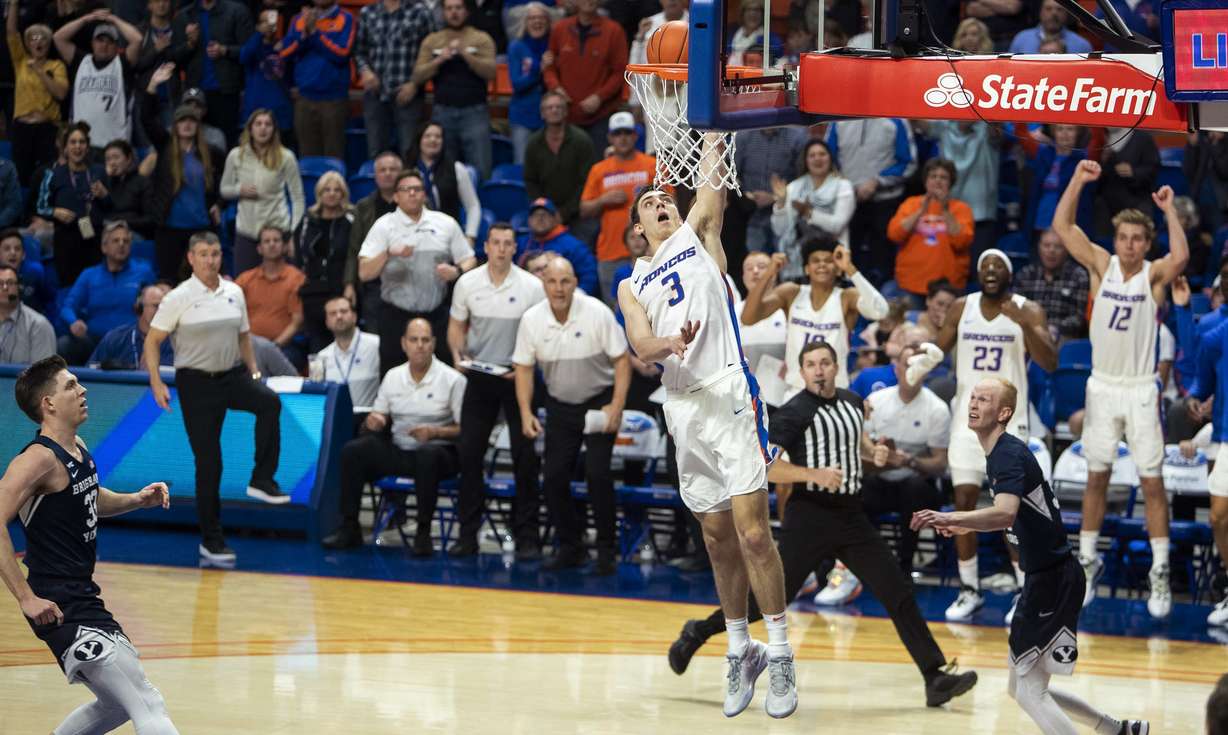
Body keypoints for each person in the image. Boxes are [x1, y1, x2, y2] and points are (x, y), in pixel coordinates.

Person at [668, 341, 978, 709]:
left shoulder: (851, 402)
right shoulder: (793, 412)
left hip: (851, 516)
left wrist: (876, 453)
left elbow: (856, 446)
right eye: (811, 364)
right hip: (809, 516)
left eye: (825, 363)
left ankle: (934, 677)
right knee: (765, 603)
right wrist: (812, 474)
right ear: (802, 372)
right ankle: (698, 632)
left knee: (897, 590)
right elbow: (763, 466)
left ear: (836, 367)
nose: (819, 370)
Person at [618, 134, 798, 718]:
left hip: (727, 390)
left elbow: (711, 193)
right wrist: (666, 341)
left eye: (664, 196)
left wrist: (715, 137)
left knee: (752, 534)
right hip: (682, 406)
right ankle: (739, 649)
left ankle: (781, 654)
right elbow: (640, 342)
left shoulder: (699, 237)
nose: (660, 200)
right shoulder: (631, 282)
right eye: (648, 201)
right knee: (717, 538)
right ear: (638, 228)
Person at [911, 378, 1150, 735]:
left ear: (1004, 413)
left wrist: (953, 517)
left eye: (985, 399)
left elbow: (1005, 513)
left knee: (1029, 690)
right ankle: (1117, 730)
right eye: (972, 397)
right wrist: (968, 526)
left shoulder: (1007, 454)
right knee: (1021, 687)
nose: (974, 404)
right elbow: (1015, 518)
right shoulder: (1001, 453)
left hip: (1052, 579)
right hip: (1048, 577)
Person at [0, 355, 179, 735]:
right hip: (58, 604)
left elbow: (89, 497)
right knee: (146, 701)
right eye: (70, 386)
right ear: (48, 404)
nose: (82, 390)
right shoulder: (36, 461)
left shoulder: (76, 447)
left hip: (83, 598)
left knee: (116, 705)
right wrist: (26, 598)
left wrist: (135, 499)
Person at [1054, 161, 1187, 620]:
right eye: (1124, 237)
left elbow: (1182, 260)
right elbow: (1062, 226)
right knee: (1096, 477)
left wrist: (1169, 212)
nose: (1129, 245)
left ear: (1147, 244)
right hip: (1103, 386)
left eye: (1137, 239)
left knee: (1153, 484)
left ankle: (1161, 569)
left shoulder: (1154, 276)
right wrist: (1077, 180)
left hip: (1140, 389)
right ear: (1116, 240)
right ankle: (1087, 563)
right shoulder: (1100, 265)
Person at [144, 232, 285, 566]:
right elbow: (152, 341)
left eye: (216, 253)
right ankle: (211, 539)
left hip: (232, 375)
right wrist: (156, 383)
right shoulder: (178, 297)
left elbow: (244, 335)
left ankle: (262, 479)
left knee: (269, 402)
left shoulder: (234, 291)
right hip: (195, 383)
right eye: (204, 254)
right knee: (210, 463)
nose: (211, 260)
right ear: (192, 258)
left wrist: (253, 371)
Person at [933, 249, 1058, 621]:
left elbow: (1050, 362)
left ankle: (1026, 590)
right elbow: (936, 349)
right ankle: (970, 589)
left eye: (997, 266)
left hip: (1007, 423)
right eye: (984, 265)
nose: (990, 271)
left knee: (1011, 513)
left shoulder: (1028, 309)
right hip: (966, 421)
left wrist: (1024, 323)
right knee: (964, 502)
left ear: (1009, 274)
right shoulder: (961, 307)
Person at [513, 257, 629, 574]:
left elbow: (621, 361)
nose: (559, 288)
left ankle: (607, 551)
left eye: (565, 281)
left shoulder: (597, 313)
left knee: (597, 474)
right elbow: (522, 368)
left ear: (575, 282)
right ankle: (571, 547)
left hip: (598, 400)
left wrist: (616, 406)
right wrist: (525, 412)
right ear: (544, 284)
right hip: (560, 404)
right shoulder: (532, 320)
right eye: (552, 281)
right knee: (552, 478)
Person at [321, 318, 463, 553]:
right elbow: (379, 415)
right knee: (353, 450)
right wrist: (374, 422)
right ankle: (349, 528)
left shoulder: (453, 379)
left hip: (440, 452)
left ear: (434, 344)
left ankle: (423, 533)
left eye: (425, 340)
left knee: (428, 455)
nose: (420, 345)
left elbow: (464, 429)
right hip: (401, 448)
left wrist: (435, 432)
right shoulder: (393, 377)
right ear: (404, 344)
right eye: (414, 340)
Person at [447, 223, 546, 558]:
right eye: (496, 243)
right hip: (480, 377)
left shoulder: (532, 286)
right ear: (486, 246)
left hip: (518, 377)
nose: (502, 249)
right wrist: (458, 355)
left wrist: (523, 366)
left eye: (508, 243)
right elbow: (456, 327)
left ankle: (528, 537)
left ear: (515, 248)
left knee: (525, 457)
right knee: (470, 454)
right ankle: (467, 535)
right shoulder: (467, 283)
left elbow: (540, 333)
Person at [358, 168, 477, 374]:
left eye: (417, 189)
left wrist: (456, 271)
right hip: (395, 316)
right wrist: (387, 253)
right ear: (396, 196)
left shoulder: (445, 224)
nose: (412, 193)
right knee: (392, 376)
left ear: (425, 194)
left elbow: (470, 259)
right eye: (406, 189)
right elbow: (364, 273)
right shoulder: (383, 226)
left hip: (436, 315)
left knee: (444, 374)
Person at [743, 236, 889, 391]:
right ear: (806, 268)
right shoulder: (791, 293)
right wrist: (769, 273)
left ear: (838, 268)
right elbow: (748, 318)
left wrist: (850, 268)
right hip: (797, 389)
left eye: (828, 260)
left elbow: (880, 311)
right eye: (816, 260)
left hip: (835, 390)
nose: (822, 264)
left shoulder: (847, 297)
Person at [863, 340, 950, 574]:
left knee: (914, 488)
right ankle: (860, 566)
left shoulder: (937, 409)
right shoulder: (876, 401)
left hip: (916, 486)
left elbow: (941, 464)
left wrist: (911, 461)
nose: (911, 371)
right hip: (881, 480)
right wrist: (875, 454)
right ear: (896, 367)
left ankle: (904, 567)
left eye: (917, 365)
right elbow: (861, 449)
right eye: (906, 364)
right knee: (853, 489)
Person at [141, 63, 224, 280]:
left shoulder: (211, 153)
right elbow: (147, 120)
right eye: (182, 120)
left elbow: (224, 182)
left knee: (203, 282)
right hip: (169, 229)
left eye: (192, 121)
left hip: (200, 229)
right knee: (169, 282)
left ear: (198, 125)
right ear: (175, 125)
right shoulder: (165, 146)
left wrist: (219, 203)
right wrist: (152, 86)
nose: (187, 124)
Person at [580, 111, 660, 303]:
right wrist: (602, 200)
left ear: (635, 135)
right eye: (617, 133)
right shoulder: (599, 170)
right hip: (610, 252)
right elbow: (584, 209)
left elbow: (669, 203)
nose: (622, 138)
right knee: (615, 311)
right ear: (610, 138)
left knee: (652, 308)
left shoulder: (651, 165)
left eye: (627, 133)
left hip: (649, 252)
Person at [412, 0, 497, 180]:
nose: (454, 13)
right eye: (449, 8)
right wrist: (440, 59)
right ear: (443, 12)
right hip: (442, 112)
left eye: (458, 8)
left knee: (481, 169)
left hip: (475, 112)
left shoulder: (481, 38)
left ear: (466, 11)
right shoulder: (433, 40)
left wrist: (466, 55)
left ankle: (479, 208)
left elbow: (491, 72)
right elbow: (418, 76)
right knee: (443, 171)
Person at [826, 118, 916, 285]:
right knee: (848, 259)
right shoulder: (838, 120)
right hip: (848, 202)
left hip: (885, 202)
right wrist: (844, 185)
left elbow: (908, 162)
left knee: (883, 264)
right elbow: (828, 157)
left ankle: (883, 304)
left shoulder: (896, 120)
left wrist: (877, 181)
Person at [57, 220, 155, 365]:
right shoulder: (89, 275)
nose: (121, 244)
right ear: (104, 247)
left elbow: (156, 304)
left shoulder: (143, 272)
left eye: (126, 241)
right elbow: (67, 307)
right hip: (95, 340)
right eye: (116, 240)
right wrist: (73, 322)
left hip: (130, 340)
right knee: (65, 344)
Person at [220, 110, 305, 274]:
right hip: (247, 232)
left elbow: (298, 198)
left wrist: (293, 234)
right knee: (245, 287)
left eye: (268, 124)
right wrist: (239, 190)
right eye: (258, 124)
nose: (263, 128)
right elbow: (224, 189)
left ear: (274, 129)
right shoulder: (236, 155)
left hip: (278, 232)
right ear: (250, 129)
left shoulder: (286, 157)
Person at [354, 0, 436, 159]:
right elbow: (358, 51)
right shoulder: (367, 13)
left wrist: (415, 84)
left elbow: (431, 54)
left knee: (409, 152)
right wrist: (365, 71)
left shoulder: (421, 12)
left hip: (408, 95)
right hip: (375, 95)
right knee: (376, 153)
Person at [887, 157, 976, 302]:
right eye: (933, 176)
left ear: (950, 183)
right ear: (926, 181)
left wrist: (945, 210)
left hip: (948, 290)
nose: (938, 181)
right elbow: (894, 234)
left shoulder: (961, 209)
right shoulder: (910, 204)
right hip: (911, 285)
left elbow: (962, 241)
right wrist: (920, 211)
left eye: (943, 177)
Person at [543, 0, 628, 150]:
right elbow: (549, 66)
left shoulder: (614, 31)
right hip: (567, 116)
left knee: (599, 169)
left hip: (601, 115)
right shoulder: (560, 29)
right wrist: (556, 88)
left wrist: (599, 96)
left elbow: (620, 73)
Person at [167, 0, 253, 148]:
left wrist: (225, 50)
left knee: (226, 143)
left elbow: (251, 51)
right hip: (194, 95)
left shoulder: (237, 11)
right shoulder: (184, 16)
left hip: (226, 92)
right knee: (191, 144)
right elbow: (173, 59)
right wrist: (190, 44)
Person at [54, 12, 142, 155]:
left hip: (115, 144)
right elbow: (58, 37)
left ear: (116, 46)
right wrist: (86, 19)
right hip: (82, 145)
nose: (104, 45)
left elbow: (137, 39)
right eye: (100, 40)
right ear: (92, 43)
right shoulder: (81, 61)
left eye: (110, 41)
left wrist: (113, 19)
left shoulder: (121, 64)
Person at [769, 138, 855, 281]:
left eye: (822, 154)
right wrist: (781, 203)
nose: (817, 159)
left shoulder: (843, 186)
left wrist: (809, 213)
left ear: (830, 158)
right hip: (796, 264)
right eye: (812, 155)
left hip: (833, 261)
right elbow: (780, 229)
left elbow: (837, 225)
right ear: (805, 160)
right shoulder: (793, 188)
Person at [280, 0, 356, 160]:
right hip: (304, 99)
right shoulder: (299, 19)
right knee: (307, 157)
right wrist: (304, 36)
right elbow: (285, 53)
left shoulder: (346, 18)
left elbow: (341, 54)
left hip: (334, 100)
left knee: (334, 158)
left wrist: (315, 34)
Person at [6, 2, 68, 188]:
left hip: (46, 129)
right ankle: (24, 216)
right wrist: (14, 2)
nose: (38, 42)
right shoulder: (21, 61)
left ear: (48, 43)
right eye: (33, 38)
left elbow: (61, 93)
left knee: (46, 178)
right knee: (21, 177)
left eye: (42, 38)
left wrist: (40, 71)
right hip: (22, 129)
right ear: (27, 43)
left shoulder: (56, 66)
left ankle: (44, 215)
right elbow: (11, 31)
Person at [36, 121, 106, 285]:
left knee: (93, 286)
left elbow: (111, 207)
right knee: (69, 286)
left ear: (87, 147)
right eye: (73, 142)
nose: (78, 146)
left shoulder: (98, 172)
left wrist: (104, 195)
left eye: (82, 142)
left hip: (94, 238)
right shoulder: (53, 174)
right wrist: (54, 212)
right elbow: (40, 207)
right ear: (65, 148)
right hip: (66, 240)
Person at [293, 171, 355, 351]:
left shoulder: (351, 220)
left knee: (343, 342)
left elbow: (354, 255)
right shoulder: (307, 221)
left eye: (337, 190)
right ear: (319, 194)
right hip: (313, 290)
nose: (332, 193)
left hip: (340, 288)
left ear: (343, 194)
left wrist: (350, 285)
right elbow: (299, 254)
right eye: (327, 190)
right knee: (317, 345)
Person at [235, 225, 307, 367]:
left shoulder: (297, 278)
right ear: (259, 249)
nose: (272, 244)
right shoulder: (245, 279)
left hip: (285, 347)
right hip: (248, 345)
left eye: (276, 240)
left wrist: (272, 347)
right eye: (266, 241)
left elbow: (297, 322)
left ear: (285, 247)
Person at [523, 91, 596, 229]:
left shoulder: (582, 141)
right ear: (542, 113)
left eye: (558, 107)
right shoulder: (533, 144)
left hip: (579, 213)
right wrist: (546, 210)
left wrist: (563, 213)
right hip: (544, 213)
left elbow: (586, 182)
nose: (554, 110)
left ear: (566, 112)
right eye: (549, 108)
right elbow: (530, 181)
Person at [405, 121, 482, 245]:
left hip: (447, 238)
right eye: (428, 136)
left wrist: (470, 236)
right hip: (411, 238)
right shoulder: (407, 170)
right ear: (419, 140)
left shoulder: (457, 169)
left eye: (438, 136)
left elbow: (473, 206)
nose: (433, 140)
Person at [735, 126, 809, 254]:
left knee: (784, 260)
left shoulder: (797, 136)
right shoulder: (743, 135)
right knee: (755, 260)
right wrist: (745, 196)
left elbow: (804, 179)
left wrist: (774, 198)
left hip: (786, 210)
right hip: (750, 211)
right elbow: (732, 173)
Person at [1015, 228, 1091, 342]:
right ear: (1039, 247)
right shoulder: (1025, 275)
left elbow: (1079, 318)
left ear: (1066, 249)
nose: (1051, 251)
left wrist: (1055, 329)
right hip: (1029, 334)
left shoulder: (1078, 276)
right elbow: (1016, 309)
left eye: (1058, 247)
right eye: (1046, 245)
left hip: (1064, 337)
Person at [314, 295, 381, 418]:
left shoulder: (376, 345)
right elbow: (317, 395)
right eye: (333, 313)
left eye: (343, 311)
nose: (339, 316)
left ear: (354, 316)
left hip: (368, 420)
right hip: (335, 419)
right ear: (327, 322)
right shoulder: (321, 357)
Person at [517, 197, 599, 296]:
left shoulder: (573, 245)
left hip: (562, 297)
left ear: (556, 218)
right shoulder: (521, 243)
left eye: (545, 215)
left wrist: (576, 297)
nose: (540, 219)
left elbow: (589, 275)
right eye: (535, 215)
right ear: (529, 220)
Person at [238, 3, 294, 149]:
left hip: (281, 116)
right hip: (255, 115)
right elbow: (243, 57)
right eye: (263, 22)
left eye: (271, 21)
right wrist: (259, 35)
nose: (268, 25)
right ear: (257, 26)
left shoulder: (285, 46)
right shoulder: (253, 46)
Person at [89, 281, 175, 369]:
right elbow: (91, 369)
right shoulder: (116, 338)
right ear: (139, 308)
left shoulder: (175, 342)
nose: (162, 311)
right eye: (156, 305)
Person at [506, 2, 551, 164]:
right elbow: (517, 84)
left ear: (548, 21)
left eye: (541, 18)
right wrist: (540, 69)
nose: (537, 22)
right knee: (522, 165)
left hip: (550, 116)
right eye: (532, 18)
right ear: (525, 22)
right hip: (522, 116)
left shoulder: (554, 44)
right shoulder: (516, 46)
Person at [97, 140, 156, 239]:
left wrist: (123, 223)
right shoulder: (103, 183)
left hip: (132, 231)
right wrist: (107, 180)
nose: (112, 163)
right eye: (108, 159)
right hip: (106, 231)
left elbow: (150, 219)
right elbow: (90, 212)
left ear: (128, 159)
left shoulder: (142, 182)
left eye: (116, 157)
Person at [0, 265, 56, 363]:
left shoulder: (38, 325)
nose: (5, 288)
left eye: (10, 283)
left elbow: (44, 374)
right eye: (0, 283)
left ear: (20, 287)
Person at [0, 229, 53, 315]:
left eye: (17, 249)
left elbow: (50, 302)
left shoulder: (35, 273)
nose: (13, 253)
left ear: (24, 255)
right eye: (7, 249)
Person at [1008, 0, 1093, 54]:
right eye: (1048, 8)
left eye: (1059, 9)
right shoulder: (1021, 39)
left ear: (1066, 14)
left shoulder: (1082, 45)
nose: (1054, 13)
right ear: (1040, 12)